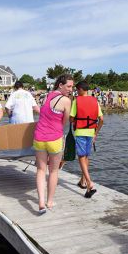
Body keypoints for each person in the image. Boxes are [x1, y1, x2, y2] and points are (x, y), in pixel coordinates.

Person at [33, 74, 73, 215]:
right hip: (54, 138)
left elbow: (43, 112)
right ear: (60, 85)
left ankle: (41, 203)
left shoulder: (48, 95)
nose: (70, 89)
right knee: (54, 171)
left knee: (41, 170)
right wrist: (58, 131)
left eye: (72, 87)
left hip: (39, 137)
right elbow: (65, 121)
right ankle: (49, 202)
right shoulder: (66, 101)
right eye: (68, 86)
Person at [70, 81, 103, 198]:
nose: (76, 92)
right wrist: (95, 134)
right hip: (91, 132)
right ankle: (82, 181)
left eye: (77, 90)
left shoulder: (76, 101)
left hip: (80, 131)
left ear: (80, 89)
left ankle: (90, 183)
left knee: (81, 157)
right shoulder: (95, 100)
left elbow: (71, 118)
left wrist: (73, 120)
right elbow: (102, 119)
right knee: (86, 157)